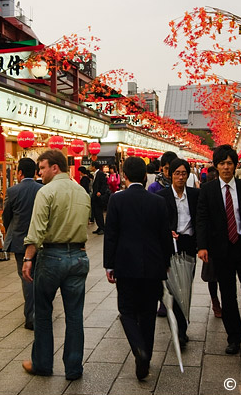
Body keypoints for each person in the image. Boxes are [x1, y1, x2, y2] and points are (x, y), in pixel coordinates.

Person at [21, 149, 91, 382]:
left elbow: (37, 230)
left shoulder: (46, 192)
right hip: (79, 257)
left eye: (42, 168)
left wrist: (28, 258)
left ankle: (42, 363)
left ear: (55, 167)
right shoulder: (82, 192)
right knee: (75, 315)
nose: (39, 173)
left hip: (51, 257)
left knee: (43, 312)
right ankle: (73, 368)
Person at [104, 156, 172, 380]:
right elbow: (165, 237)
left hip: (125, 264)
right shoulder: (158, 201)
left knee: (127, 311)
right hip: (153, 266)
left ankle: (139, 350)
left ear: (124, 177)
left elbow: (111, 235)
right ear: (145, 177)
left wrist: (109, 265)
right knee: (148, 313)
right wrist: (166, 263)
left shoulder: (116, 200)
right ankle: (146, 358)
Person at [196, 145, 241, 355]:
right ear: (216, 166)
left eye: (230, 163)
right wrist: (203, 246)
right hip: (221, 249)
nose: (226, 167)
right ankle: (234, 336)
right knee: (227, 295)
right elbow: (202, 219)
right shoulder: (207, 190)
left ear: (235, 165)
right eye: (222, 163)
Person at [157, 158, 215, 342]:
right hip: (171, 244)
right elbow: (158, 222)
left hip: (189, 243)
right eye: (177, 173)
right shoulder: (162, 196)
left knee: (186, 285)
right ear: (170, 175)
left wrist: (202, 244)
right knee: (174, 287)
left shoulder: (195, 194)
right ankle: (179, 329)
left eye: (183, 173)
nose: (180, 177)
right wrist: (167, 231)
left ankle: (182, 325)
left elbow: (201, 219)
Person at [2, 157, 43, 330]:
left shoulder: (12, 191)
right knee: (39, 275)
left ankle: (31, 315)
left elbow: (6, 216)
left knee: (26, 277)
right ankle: (40, 312)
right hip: (40, 240)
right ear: (35, 172)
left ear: (19, 173)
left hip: (20, 241)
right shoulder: (42, 190)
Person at [90, 161, 109, 235]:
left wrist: (100, 192)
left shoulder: (100, 174)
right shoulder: (95, 174)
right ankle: (99, 227)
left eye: (91, 166)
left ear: (94, 166)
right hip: (95, 196)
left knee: (98, 212)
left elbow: (104, 184)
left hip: (98, 196)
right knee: (95, 212)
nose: (90, 167)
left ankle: (102, 228)